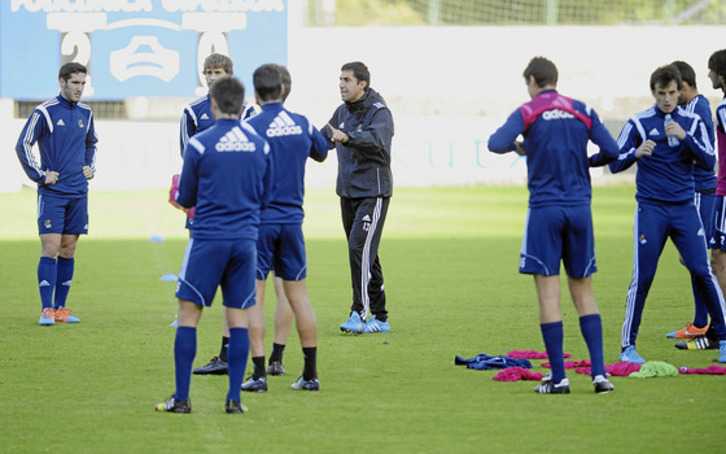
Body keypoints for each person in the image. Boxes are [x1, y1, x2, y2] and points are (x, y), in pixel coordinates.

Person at [488, 56, 619, 394]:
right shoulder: (582, 110)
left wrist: (522, 146)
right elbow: (613, 150)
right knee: (584, 294)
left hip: (545, 210)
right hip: (579, 209)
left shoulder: (529, 111)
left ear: (533, 81)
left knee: (549, 297)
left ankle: (559, 378)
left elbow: (496, 143)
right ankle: (599, 375)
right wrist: (587, 161)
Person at [156, 76, 272, 414]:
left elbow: (186, 197)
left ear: (214, 104)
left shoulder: (200, 144)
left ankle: (181, 398)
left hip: (207, 239)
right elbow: (264, 196)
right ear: (242, 104)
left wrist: (178, 197)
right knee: (238, 319)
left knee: (188, 315)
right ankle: (234, 399)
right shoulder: (259, 145)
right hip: (245, 242)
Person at [609, 64, 726, 364]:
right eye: (662, 94)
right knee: (643, 278)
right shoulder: (638, 123)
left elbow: (709, 162)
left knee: (702, 270)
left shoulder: (692, 122)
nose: (667, 99)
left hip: (685, 209)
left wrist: (685, 137)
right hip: (651, 210)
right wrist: (635, 154)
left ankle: (724, 340)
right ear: (654, 92)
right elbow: (614, 162)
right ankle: (628, 347)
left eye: (672, 93)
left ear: (679, 91)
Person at [240, 64, 328, 392]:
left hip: (259, 223)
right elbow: (321, 151)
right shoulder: (302, 123)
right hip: (292, 221)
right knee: (298, 297)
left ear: (256, 92)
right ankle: (310, 375)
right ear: (283, 90)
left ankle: (259, 375)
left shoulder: (249, 127)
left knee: (255, 297)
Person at [15, 62, 98, 326]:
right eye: (75, 83)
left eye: (83, 83)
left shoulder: (86, 112)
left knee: (69, 249)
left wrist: (89, 166)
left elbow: (91, 144)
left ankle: (61, 309)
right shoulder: (45, 112)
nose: (80, 88)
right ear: (62, 82)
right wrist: (40, 176)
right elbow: (23, 144)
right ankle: (46, 310)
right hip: (53, 193)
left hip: (78, 192)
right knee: (50, 248)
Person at [323, 61, 394, 334]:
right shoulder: (342, 111)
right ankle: (381, 317)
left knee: (358, 248)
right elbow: (323, 139)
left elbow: (377, 140)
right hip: (348, 192)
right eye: (340, 79)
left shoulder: (379, 111)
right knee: (365, 254)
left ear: (362, 84)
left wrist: (348, 137)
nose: (341, 84)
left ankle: (359, 312)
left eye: (347, 80)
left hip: (373, 193)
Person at [665, 60, 717, 340]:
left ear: (683, 86)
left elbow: (703, 153)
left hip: (700, 191)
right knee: (693, 258)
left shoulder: (699, 108)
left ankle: (707, 321)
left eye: (673, 90)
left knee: (695, 259)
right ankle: (701, 320)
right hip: (694, 191)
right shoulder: (692, 107)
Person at [679, 49, 726, 351]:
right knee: (706, 259)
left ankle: (715, 328)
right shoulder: (709, 106)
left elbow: (704, 154)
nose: (708, 75)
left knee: (709, 261)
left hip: (707, 191)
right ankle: (709, 325)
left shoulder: (710, 108)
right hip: (711, 190)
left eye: (711, 70)